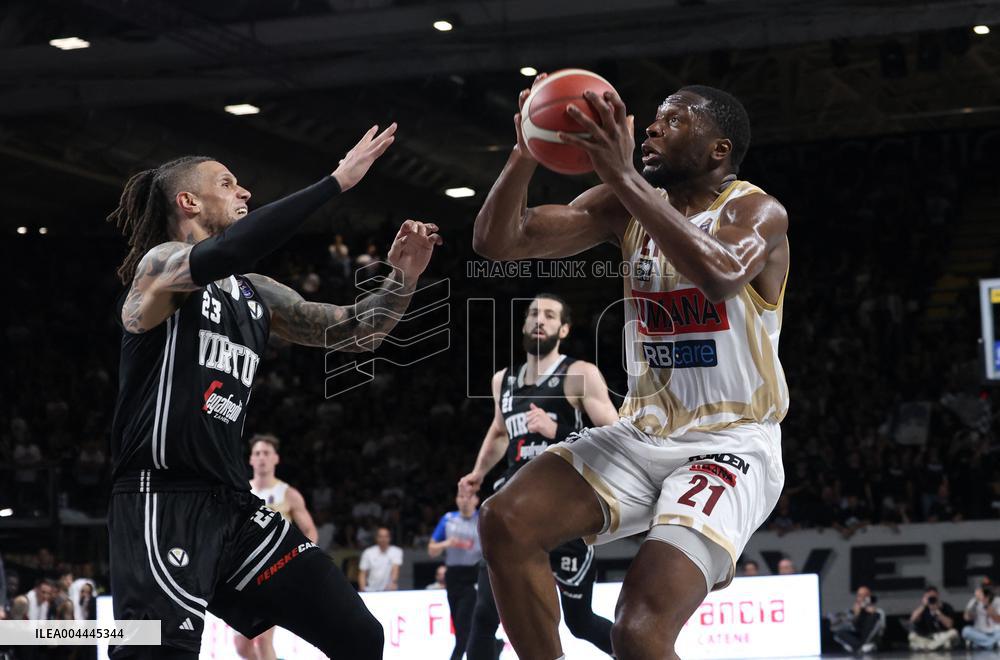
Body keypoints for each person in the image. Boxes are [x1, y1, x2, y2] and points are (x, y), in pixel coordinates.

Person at [472, 74, 789, 659]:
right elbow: (501, 242)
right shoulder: (624, 206)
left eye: (676, 120)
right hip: (642, 432)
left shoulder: (756, 211)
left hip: (732, 444)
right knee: (504, 521)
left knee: (637, 633)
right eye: (655, 117)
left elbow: (718, 276)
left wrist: (620, 174)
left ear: (719, 149)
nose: (651, 128)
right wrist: (525, 149)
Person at [106, 123, 442, 660]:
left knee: (359, 635)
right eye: (228, 183)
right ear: (188, 201)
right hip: (162, 500)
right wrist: (336, 182)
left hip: (235, 508)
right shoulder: (158, 271)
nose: (243, 193)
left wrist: (402, 277)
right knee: (151, 652)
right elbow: (232, 248)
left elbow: (357, 331)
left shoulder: (253, 292)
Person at [459, 294, 621, 659]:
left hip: (565, 509)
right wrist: (478, 473)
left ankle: (644, 652)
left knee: (579, 621)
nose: (539, 320)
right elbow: (500, 431)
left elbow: (616, 437)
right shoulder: (504, 380)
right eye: (533, 313)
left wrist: (559, 429)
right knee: (485, 613)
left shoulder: (579, 374)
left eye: (549, 315)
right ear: (523, 324)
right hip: (516, 510)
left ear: (563, 329)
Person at [234, 434, 319, 660]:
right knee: (241, 646)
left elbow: (310, 531)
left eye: (266, 453)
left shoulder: (288, 494)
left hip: (275, 574)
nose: (262, 458)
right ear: (250, 460)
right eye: (257, 453)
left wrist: (300, 561)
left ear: (276, 459)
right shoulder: (241, 493)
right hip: (243, 576)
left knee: (263, 639)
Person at [428, 489, 482, 660]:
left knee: (464, 624)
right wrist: (447, 543)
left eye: (469, 496)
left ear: (476, 499)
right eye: (461, 496)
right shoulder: (448, 519)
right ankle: (495, 644)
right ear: (456, 500)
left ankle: (456, 657)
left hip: (474, 576)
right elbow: (431, 550)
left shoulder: (482, 519)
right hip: (453, 577)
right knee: (460, 625)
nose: (465, 500)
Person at [832, 586, 884, 654]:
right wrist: (856, 615)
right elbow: (852, 628)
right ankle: (859, 647)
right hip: (858, 638)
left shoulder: (877, 612)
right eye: (859, 595)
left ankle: (861, 647)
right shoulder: (855, 610)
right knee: (839, 631)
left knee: (876, 615)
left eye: (864, 595)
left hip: (870, 640)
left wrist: (871, 612)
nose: (862, 598)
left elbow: (881, 630)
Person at [908, 585, 958, 650]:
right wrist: (923, 606)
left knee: (954, 632)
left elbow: (949, 625)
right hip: (926, 636)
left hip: (941, 636)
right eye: (929, 597)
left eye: (933, 597)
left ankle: (930, 646)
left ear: (937, 595)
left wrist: (937, 611)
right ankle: (936, 645)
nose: (932, 599)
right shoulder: (922, 608)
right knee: (912, 636)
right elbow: (913, 619)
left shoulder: (946, 606)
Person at [359, 527, 403, 592]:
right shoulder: (368, 552)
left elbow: (395, 569)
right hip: (371, 589)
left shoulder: (396, 551)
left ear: (390, 538)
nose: (383, 539)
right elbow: (363, 572)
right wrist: (362, 588)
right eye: (381, 536)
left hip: (389, 589)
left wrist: (393, 582)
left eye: (386, 536)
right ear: (376, 538)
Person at [962, 583, 1000, 649]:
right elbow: (966, 617)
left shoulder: (998, 601)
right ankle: (991, 644)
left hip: (995, 631)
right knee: (965, 631)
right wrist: (976, 602)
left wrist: (986, 604)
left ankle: (982, 644)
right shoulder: (974, 601)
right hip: (979, 632)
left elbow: (998, 620)